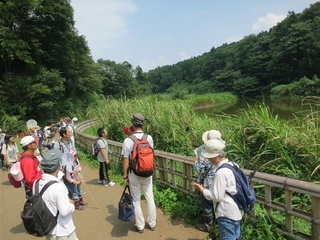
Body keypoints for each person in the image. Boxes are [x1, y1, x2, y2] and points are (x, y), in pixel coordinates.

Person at [192, 139, 244, 240]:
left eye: (209, 157)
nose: (209, 159)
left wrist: (202, 190)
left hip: (226, 212)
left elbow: (216, 197)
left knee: (227, 237)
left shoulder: (221, 172)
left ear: (215, 156)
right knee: (236, 236)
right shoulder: (233, 164)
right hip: (236, 210)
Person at [122, 113, 157, 233]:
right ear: (142, 123)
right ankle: (152, 223)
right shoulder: (149, 138)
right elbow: (152, 155)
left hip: (134, 174)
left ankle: (140, 226)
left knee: (136, 200)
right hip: (148, 173)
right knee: (149, 197)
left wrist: (125, 176)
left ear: (132, 124)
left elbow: (126, 159)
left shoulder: (128, 140)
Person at [38, 149, 79, 240]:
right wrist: (72, 204)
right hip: (63, 229)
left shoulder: (36, 183)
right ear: (58, 167)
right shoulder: (59, 186)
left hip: (48, 226)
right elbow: (64, 211)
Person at [193, 130, 225, 232]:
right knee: (219, 204)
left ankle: (209, 226)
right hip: (220, 182)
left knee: (207, 206)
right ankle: (218, 226)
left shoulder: (203, 151)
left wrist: (195, 161)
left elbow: (200, 169)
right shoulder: (222, 149)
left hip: (207, 183)